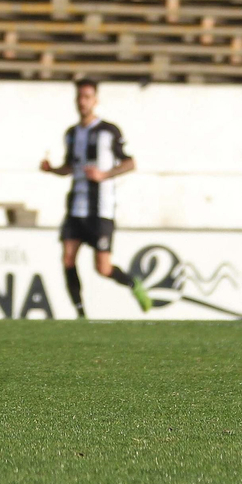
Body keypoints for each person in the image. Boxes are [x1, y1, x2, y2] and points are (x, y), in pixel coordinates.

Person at [39, 78, 149, 317]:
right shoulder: (71, 134)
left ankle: (133, 283)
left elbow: (130, 163)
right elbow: (70, 167)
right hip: (76, 207)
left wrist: (104, 174)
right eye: (80, 97)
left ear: (95, 100)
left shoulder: (108, 131)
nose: (83, 102)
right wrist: (52, 169)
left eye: (87, 97)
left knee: (103, 268)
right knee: (68, 258)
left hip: (101, 209)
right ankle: (80, 313)